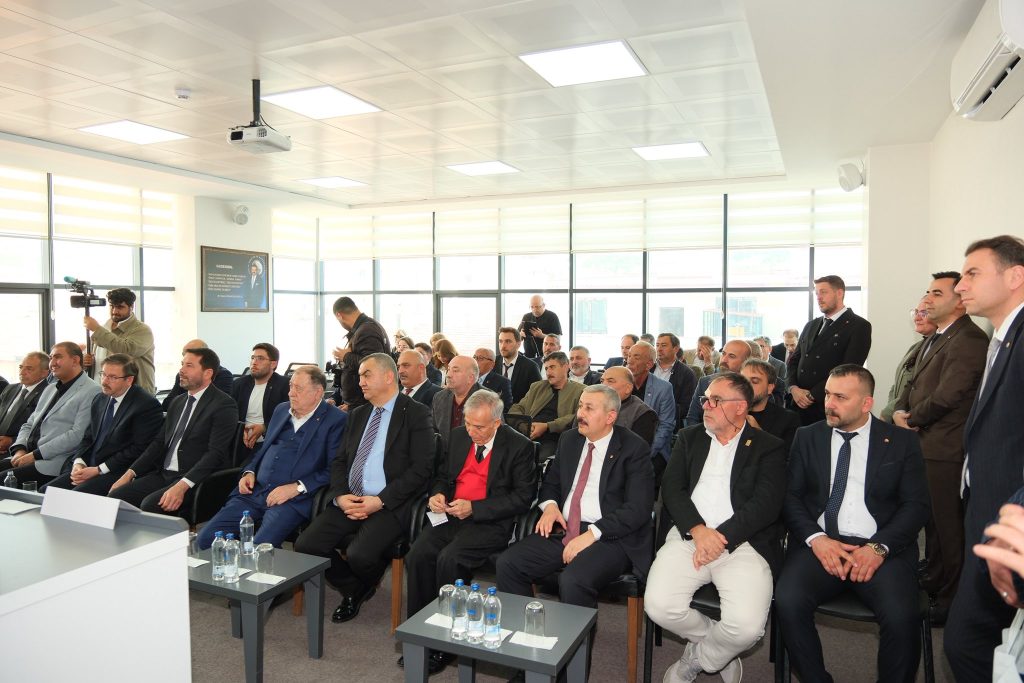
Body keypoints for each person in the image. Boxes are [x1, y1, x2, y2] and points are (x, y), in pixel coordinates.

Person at [776, 365, 930, 683]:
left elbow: (916, 506)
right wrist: (817, 539)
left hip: (880, 548)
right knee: (788, 600)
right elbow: (790, 497)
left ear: (866, 403)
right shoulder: (808, 436)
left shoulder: (901, 442)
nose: (829, 404)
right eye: (827, 395)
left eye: (840, 397)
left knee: (902, 616)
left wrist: (879, 547)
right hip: (821, 544)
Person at [645, 372, 786, 683]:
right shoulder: (690, 437)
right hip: (688, 536)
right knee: (658, 606)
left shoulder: (768, 447)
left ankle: (697, 660)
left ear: (741, 407)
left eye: (716, 400)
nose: (705, 406)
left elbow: (766, 504)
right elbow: (672, 489)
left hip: (744, 543)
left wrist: (720, 538)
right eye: (706, 399)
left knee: (747, 628)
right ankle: (719, 647)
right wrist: (698, 531)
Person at [293, 353, 434, 624]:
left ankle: (358, 585)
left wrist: (380, 501)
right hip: (351, 498)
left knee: (360, 555)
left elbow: (421, 469)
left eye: (366, 375)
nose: (360, 382)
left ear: (389, 377)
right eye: (359, 376)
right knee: (306, 545)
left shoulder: (416, 413)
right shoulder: (358, 414)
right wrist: (340, 496)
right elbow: (339, 461)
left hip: (390, 503)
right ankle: (355, 588)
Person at [402, 390, 536, 674]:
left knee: (449, 559)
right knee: (417, 556)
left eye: (480, 427)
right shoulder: (458, 436)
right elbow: (442, 476)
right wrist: (437, 494)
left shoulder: (519, 446)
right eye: (468, 424)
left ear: (497, 423)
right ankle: (421, 632)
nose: (472, 432)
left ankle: (447, 642)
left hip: (489, 521)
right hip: (451, 514)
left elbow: (523, 497)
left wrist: (475, 508)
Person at [497, 384, 655, 610]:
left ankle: (578, 635)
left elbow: (638, 508)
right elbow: (551, 483)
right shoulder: (570, 440)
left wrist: (593, 533)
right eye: (580, 406)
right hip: (565, 528)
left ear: (610, 416)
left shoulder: (634, 448)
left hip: (610, 537)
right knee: (508, 563)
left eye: (589, 408)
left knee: (573, 580)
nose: (580, 413)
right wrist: (550, 507)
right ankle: (525, 626)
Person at [945, 235, 1024, 681]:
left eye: (973, 273)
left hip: (1010, 521)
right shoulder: (1003, 338)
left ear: (1015, 277)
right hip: (990, 512)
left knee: (966, 644)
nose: (961, 286)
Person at [892, 271, 988, 623]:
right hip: (926, 442)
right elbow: (914, 383)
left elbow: (949, 395)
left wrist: (911, 417)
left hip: (946, 448)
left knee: (948, 527)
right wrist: (900, 411)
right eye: (928, 292)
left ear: (959, 302)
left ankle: (951, 600)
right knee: (931, 521)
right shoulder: (938, 337)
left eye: (936, 293)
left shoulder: (969, 339)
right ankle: (934, 578)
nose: (928, 299)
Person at [197, 366, 347, 549]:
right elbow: (263, 450)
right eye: (290, 386)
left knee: (260, 549)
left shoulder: (336, 420)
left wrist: (297, 487)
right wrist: (249, 472)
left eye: (298, 388)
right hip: (255, 492)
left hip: (291, 500)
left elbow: (334, 468)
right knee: (206, 539)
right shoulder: (281, 410)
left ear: (318, 392)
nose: (291, 393)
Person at [108, 347, 237, 514]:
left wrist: (182, 486)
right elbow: (158, 443)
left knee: (150, 505)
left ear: (207, 373)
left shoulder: (223, 404)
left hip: (196, 479)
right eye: (182, 364)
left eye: (189, 365)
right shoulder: (178, 402)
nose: (181, 370)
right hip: (164, 474)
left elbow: (215, 454)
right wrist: (129, 473)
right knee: (116, 497)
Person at [46, 354, 162, 495]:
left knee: (75, 497)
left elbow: (139, 449)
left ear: (129, 380)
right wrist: (79, 462)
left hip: (118, 470)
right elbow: (88, 437)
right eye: (103, 375)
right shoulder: (100, 398)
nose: (105, 381)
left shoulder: (145, 405)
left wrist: (99, 470)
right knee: (47, 491)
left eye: (112, 377)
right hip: (90, 466)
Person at [0, 342, 101, 487]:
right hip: (25, 455)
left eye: (58, 357)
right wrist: (19, 449)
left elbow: (77, 435)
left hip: (52, 461)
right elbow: (29, 424)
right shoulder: (50, 388)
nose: (52, 363)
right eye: (51, 357)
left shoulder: (93, 390)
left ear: (75, 360)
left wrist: (35, 455)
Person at [788, 275, 872, 425]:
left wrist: (812, 395)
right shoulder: (811, 325)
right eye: (816, 293)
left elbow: (848, 369)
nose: (818, 297)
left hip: (827, 407)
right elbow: (794, 360)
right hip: (797, 405)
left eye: (823, 292)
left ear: (839, 293)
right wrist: (793, 388)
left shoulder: (858, 326)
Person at [507, 352, 585, 462]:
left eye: (552, 367)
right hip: (528, 433)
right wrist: (525, 425)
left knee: (534, 459)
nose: (548, 372)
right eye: (546, 368)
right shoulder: (537, 387)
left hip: (556, 438)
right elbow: (517, 408)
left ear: (565, 367)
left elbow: (577, 416)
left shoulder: (580, 390)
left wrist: (547, 426)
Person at [83, 287, 156, 395]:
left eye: (120, 307)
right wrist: (86, 361)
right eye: (112, 306)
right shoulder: (104, 328)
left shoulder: (142, 330)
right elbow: (98, 361)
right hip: (103, 393)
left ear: (131, 307)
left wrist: (97, 329)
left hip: (135, 395)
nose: (114, 311)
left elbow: (125, 350)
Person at [231, 343, 290, 465]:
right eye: (253, 358)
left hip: (270, 441)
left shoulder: (285, 385)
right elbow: (230, 414)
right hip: (239, 440)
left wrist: (264, 427)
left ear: (273, 364)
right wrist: (240, 429)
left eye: (260, 358)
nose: (254, 362)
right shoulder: (239, 384)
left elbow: (289, 416)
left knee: (247, 467)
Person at [626, 341, 676, 480]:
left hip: (652, 448)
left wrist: (646, 453)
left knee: (642, 475)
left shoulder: (663, 388)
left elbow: (666, 426)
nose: (629, 361)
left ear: (648, 364)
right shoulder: (620, 384)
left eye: (636, 357)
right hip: (622, 444)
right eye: (629, 356)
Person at [879, 303, 936, 423]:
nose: (917, 318)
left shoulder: (937, 350)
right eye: (916, 312)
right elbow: (895, 386)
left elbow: (918, 388)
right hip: (897, 415)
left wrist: (887, 413)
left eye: (924, 313)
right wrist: (890, 411)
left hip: (913, 418)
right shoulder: (915, 347)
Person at [330, 296, 389, 411]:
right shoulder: (367, 326)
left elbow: (373, 366)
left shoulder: (366, 330)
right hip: (357, 405)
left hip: (363, 406)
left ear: (339, 315)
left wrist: (345, 356)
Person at [684, 340, 753, 427]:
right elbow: (692, 418)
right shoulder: (705, 382)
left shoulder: (751, 386)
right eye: (723, 354)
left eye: (731, 356)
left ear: (745, 361)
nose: (724, 359)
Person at [741, 359, 800, 453]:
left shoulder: (788, 419)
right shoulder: (728, 412)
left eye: (754, 381)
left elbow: (785, 456)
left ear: (769, 388)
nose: (746, 386)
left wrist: (759, 433)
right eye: (742, 381)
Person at [161, 339, 234, 411]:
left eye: (189, 365)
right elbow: (167, 404)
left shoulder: (223, 375)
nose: (187, 356)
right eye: (184, 354)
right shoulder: (182, 374)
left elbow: (218, 405)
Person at [0, 351, 50, 455]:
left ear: (44, 373)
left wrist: (12, 441)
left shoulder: (49, 394)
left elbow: (43, 431)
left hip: (20, 450)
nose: (22, 372)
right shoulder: (10, 388)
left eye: (29, 369)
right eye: (20, 367)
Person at [431, 356, 482, 452]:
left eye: (455, 371)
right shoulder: (440, 397)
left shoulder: (487, 400)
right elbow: (433, 431)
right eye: (448, 369)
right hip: (444, 457)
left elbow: (495, 438)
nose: (448, 375)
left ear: (470, 378)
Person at [598, 366, 658, 445]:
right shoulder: (592, 404)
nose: (603, 385)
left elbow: (637, 449)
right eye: (602, 381)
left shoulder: (643, 413)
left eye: (610, 381)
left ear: (628, 388)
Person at [653, 333, 698, 429]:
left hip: (670, 423)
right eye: (657, 345)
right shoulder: (648, 368)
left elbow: (687, 406)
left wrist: (662, 411)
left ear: (676, 349)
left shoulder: (687, 374)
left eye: (664, 345)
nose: (659, 349)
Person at [497, 327, 541, 404]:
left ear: (518, 344)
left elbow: (537, 396)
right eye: (500, 341)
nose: (503, 346)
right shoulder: (492, 363)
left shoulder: (531, 367)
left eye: (508, 341)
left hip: (519, 410)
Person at [518, 295, 562, 359]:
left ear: (543, 305)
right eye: (532, 307)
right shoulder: (526, 317)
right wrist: (521, 334)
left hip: (547, 355)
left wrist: (542, 336)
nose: (534, 310)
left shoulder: (552, 316)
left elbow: (558, 338)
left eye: (537, 307)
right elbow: (517, 337)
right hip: (528, 356)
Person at [472, 347, 513, 413]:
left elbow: (505, 408)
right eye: (474, 357)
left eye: (481, 358)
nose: (475, 361)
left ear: (492, 364)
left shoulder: (502, 382)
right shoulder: (468, 378)